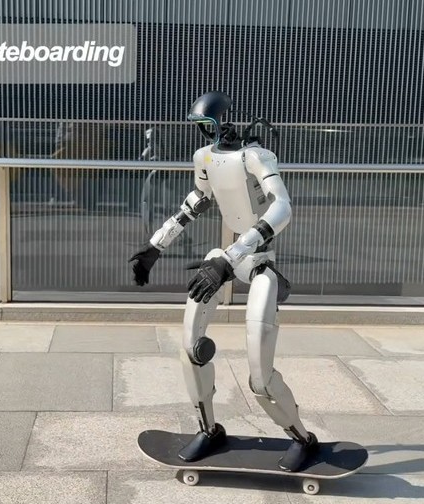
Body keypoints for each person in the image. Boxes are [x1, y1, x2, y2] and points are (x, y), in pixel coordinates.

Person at [128, 91, 319, 472]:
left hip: (260, 265)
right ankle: (209, 429)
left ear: (228, 119)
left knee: (260, 378)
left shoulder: (256, 157)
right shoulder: (204, 158)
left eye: (209, 125)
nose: (205, 133)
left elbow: (282, 207)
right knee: (191, 349)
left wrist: (230, 259)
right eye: (200, 126)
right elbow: (194, 202)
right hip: (226, 257)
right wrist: (155, 246)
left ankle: (302, 438)